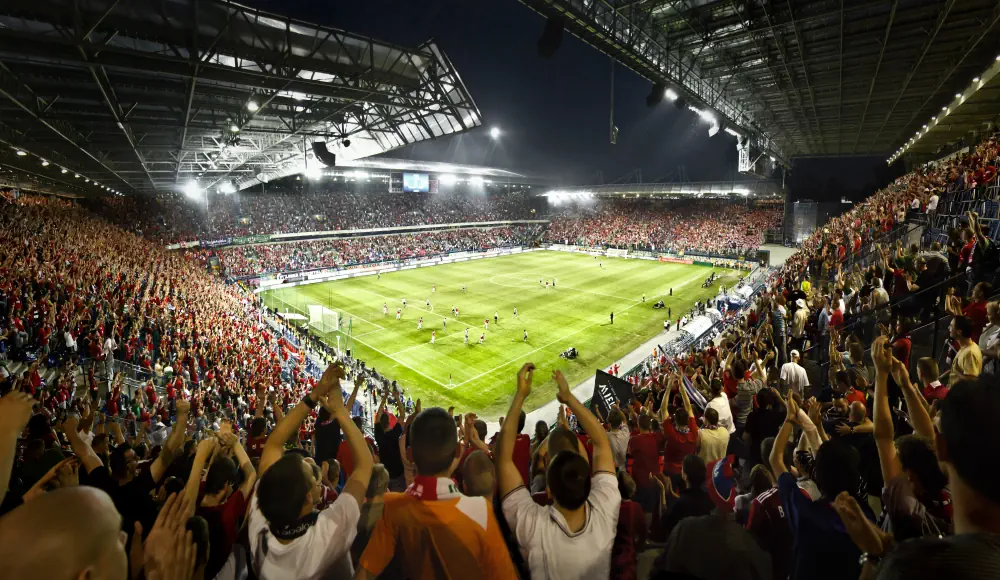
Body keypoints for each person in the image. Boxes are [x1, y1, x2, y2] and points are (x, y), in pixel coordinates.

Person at [356, 407, 516, 578]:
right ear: (456, 451)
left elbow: (364, 574)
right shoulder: (480, 511)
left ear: (410, 455)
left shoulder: (392, 507)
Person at [249, 364, 374, 579]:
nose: (312, 465)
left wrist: (314, 395)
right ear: (309, 498)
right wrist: (341, 412)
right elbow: (365, 464)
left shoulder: (260, 528)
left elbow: (273, 445)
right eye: (311, 473)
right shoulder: (325, 539)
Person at [499, 365, 621, 578]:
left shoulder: (533, 527)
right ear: (589, 484)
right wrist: (569, 398)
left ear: (548, 491)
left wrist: (520, 395)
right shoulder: (606, 508)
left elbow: (502, 460)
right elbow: (602, 442)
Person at [768, 388, 874, 580]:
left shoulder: (806, 513)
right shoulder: (866, 516)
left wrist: (789, 421)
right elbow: (830, 456)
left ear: (818, 477)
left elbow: (775, 460)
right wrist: (814, 425)